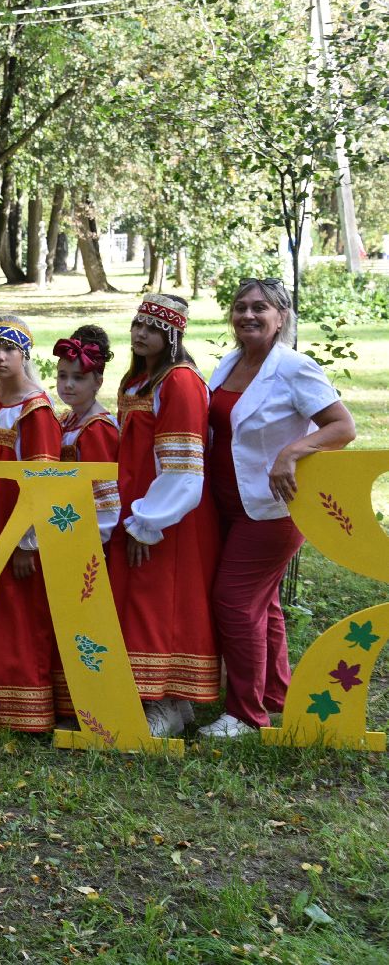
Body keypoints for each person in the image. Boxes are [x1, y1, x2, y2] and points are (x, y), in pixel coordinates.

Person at [200, 278, 355, 739]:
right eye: (240, 307)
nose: (248, 315)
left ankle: (246, 715)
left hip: (273, 509)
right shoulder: (229, 364)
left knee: (234, 600)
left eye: (260, 308)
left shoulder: (293, 367)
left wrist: (290, 453)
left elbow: (341, 427)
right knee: (262, 605)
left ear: (281, 316)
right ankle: (274, 695)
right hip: (228, 502)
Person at [110, 293, 220, 738]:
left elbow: (182, 464)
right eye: (137, 324)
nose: (141, 333)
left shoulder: (179, 382)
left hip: (169, 515)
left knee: (164, 603)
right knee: (141, 602)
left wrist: (149, 521)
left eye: (152, 328)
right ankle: (160, 699)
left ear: (172, 335)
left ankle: (169, 702)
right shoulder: (138, 382)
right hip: (136, 508)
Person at [0, 316, 63, 733]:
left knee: (19, 610)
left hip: (15, 524)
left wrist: (28, 542)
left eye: (9, 349)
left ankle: (27, 704)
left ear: (25, 353)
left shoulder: (36, 409)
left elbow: (44, 482)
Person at [51, 324, 121, 721]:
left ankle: (95, 703)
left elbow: (106, 496)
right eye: (62, 376)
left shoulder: (96, 428)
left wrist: (91, 543)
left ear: (98, 380)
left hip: (88, 541)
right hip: (67, 535)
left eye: (78, 378)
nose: (68, 385)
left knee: (86, 622)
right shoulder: (69, 421)